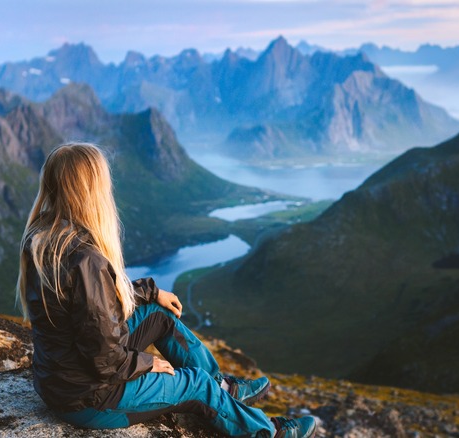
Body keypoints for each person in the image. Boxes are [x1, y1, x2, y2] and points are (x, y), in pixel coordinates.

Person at [16, 142, 317, 438]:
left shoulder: (44, 240)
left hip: (63, 383)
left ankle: (224, 390)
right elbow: (104, 360)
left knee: (158, 314)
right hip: (92, 399)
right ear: (90, 193)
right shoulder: (86, 259)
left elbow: (92, 306)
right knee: (195, 384)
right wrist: (148, 364)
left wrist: (150, 292)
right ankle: (269, 432)